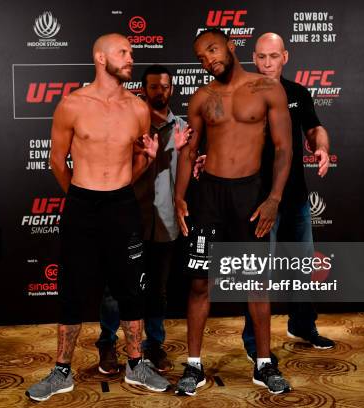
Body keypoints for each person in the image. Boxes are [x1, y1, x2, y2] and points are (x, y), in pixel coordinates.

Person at [25, 34, 170, 402]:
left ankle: (137, 365)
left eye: (131, 52)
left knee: (131, 288)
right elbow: (57, 161)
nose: (130, 58)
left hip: (122, 205)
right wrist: (80, 195)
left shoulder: (138, 109)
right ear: (100, 57)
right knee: (72, 290)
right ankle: (61, 372)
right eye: (123, 52)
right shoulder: (72, 105)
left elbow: (137, 161)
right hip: (82, 205)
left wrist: (148, 160)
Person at [174, 29, 293, 395]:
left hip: (249, 195)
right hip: (208, 197)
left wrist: (273, 198)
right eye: (200, 57)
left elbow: (283, 147)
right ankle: (194, 366)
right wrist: (180, 197)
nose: (208, 59)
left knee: (255, 282)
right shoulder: (201, 98)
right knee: (198, 282)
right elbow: (189, 152)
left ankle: (263, 363)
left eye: (212, 49)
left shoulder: (267, 89)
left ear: (231, 45)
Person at [240, 33, 335, 362]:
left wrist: (321, 146)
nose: (267, 63)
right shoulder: (243, 94)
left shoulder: (298, 93)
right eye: (262, 57)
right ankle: (254, 343)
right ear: (254, 58)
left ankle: (302, 325)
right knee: (258, 274)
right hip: (258, 199)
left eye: (273, 56)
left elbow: (314, 128)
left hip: (295, 196)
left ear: (285, 57)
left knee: (301, 266)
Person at [96, 65, 191, 374]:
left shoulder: (182, 128)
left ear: (172, 89)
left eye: (165, 86)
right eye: (153, 87)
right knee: (116, 288)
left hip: (165, 222)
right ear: (143, 89)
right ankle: (108, 344)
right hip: (128, 220)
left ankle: (154, 346)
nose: (159, 92)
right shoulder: (128, 125)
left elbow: (184, 176)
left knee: (157, 290)